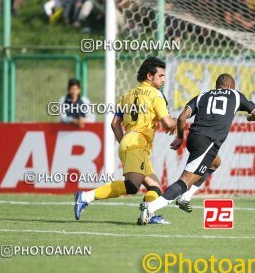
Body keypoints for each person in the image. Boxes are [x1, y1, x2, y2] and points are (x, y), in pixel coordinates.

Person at [138, 73, 255, 225]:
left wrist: (179, 138)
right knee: (185, 180)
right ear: (230, 87)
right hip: (208, 142)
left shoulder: (203, 96)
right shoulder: (235, 95)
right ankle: (151, 207)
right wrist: (250, 118)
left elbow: (183, 117)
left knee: (215, 162)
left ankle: (186, 197)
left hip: (194, 138)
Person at [73, 57, 177, 224]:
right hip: (137, 144)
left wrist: (124, 143)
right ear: (149, 76)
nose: (163, 79)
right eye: (161, 75)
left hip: (129, 143)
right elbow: (166, 122)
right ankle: (86, 196)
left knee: (155, 187)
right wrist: (179, 122)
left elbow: (115, 124)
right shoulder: (156, 95)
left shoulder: (127, 95)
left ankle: (149, 214)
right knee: (132, 186)